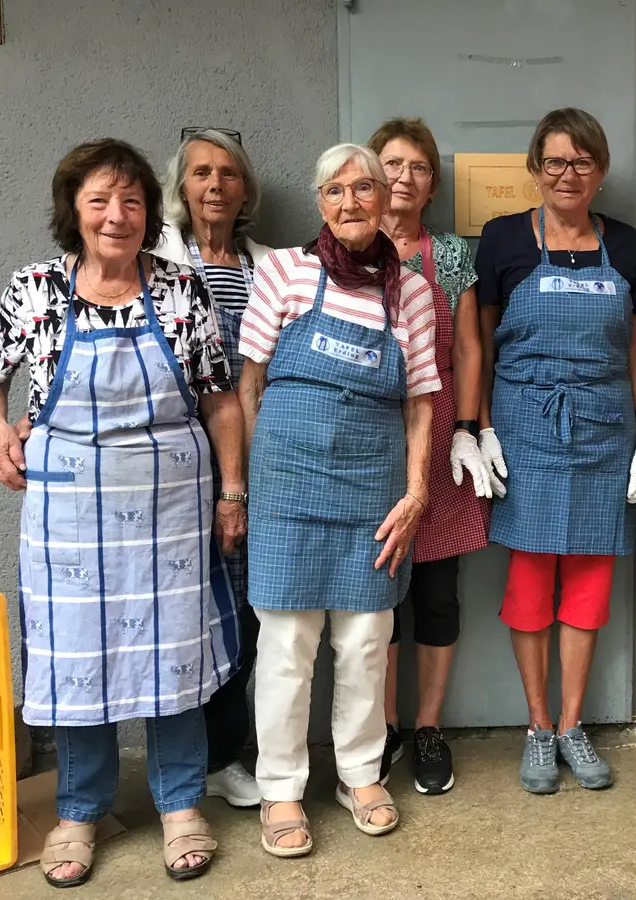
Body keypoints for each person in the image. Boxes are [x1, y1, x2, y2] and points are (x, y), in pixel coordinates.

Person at [0, 139, 244, 887]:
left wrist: (232, 491)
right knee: (75, 657)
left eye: (131, 201)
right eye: (99, 201)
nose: (116, 216)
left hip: (168, 501)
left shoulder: (183, 290)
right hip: (67, 506)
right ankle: (78, 812)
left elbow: (220, 401)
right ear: (75, 211)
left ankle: (182, 806)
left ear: (150, 212)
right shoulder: (36, 289)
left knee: (173, 649)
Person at [240, 143, 438, 856]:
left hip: (373, 490)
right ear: (320, 202)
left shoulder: (410, 290)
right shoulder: (285, 273)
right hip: (288, 486)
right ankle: (282, 788)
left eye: (364, 188)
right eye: (336, 191)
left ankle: (359, 772)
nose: (351, 201)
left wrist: (417, 491)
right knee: (287, 645)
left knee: (364, 642)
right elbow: (249, 384)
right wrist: (256, 480)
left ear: (386, 199)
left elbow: (421, 403)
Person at [477, 108, 636, 794]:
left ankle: (573, 726)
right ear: (535, 169)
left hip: (605, 433)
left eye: (581, 162)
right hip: (525, 430)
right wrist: (481, 426)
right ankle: (535, 727)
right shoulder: (502, 240)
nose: (567, 174)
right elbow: (479, 341)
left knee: (588, 585)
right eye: (554, 162)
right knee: (529, 583)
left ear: (601, 171)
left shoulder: (629, 246)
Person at [368, 117, 492, 795]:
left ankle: (428, 728)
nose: (403, 178)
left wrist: (470, 427)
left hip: (442, 438)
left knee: (438, 596)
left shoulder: (450, 256)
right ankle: (384, 727)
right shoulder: (351, 248)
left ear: (433, 184)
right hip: (371, 439)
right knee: (380, 594)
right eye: (392, 163)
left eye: (417, 167)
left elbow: (469, 348)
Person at [153, 128, 273, 810]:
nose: (215, 185)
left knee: (242, 617)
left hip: (250, 465)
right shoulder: (156, 262)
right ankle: (181, 766)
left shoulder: (268, 265)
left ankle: (226, 756)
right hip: (174, 465)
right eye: (201, 173)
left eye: (228, 172)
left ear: (245, 189)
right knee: (180, 614)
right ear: (183, 187)